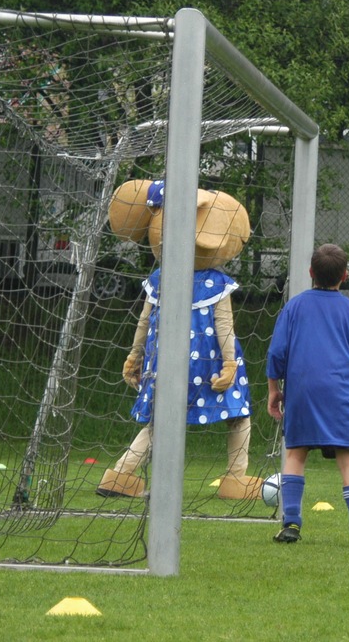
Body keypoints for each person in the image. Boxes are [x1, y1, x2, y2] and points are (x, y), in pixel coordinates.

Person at [97, 179, 260, 501]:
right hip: (210, 360)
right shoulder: (216, 283)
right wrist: (229, 362)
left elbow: (144, 321)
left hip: (165, 359)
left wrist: (134, 354)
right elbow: (223, 325)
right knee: (239, 414)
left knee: (162, 421)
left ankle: (120, 475)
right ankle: (234, 478)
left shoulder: (159, 278)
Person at [266, 243, 349, 546]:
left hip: (303, 391)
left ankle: (291, 525)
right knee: (348, 459)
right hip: (341, 394)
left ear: (311, 273)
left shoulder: (294, 307)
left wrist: (274, 391)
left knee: (296, 454)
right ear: (345, 276)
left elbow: (276, 353)